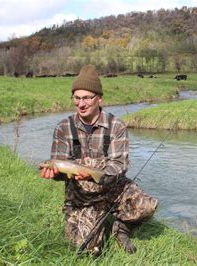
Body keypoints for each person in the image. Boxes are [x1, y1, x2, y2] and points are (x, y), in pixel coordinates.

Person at [40, 65, 158, 255]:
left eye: (87, 97)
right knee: (88, 251)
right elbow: (60, 166)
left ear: (99, 98)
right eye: (77, 98)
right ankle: (95, 220)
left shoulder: (116, 126)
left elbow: (120, 165)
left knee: (147, 206)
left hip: (113, 188)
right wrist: (55, 175)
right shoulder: (63, 128)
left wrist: (95, 175)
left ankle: (122, 228)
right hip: (81, 197)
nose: (81, 103)